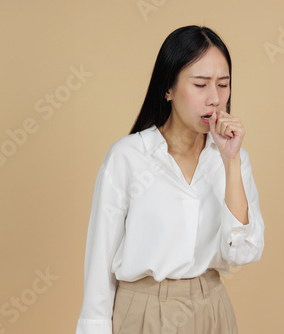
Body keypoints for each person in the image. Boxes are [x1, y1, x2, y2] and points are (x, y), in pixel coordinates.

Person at [75, 25, 265, 334]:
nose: (215, 99)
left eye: (223, 84)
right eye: (201, 84)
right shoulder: (128, 157)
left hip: (212, 308)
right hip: (144, 312)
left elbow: (243, 251)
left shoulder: (232, 157)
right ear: (168, 88)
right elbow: (99, 263)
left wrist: (230, 160)